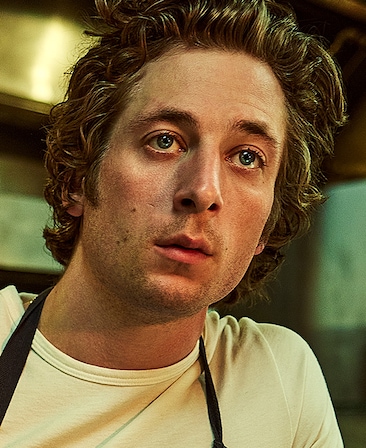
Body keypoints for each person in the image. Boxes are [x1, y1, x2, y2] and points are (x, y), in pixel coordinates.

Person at [0, 0, 347, 446]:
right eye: (164, 141)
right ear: (77, 179)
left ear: (267, 225)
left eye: (246, 157)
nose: (203, 191)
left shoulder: (279, 377)